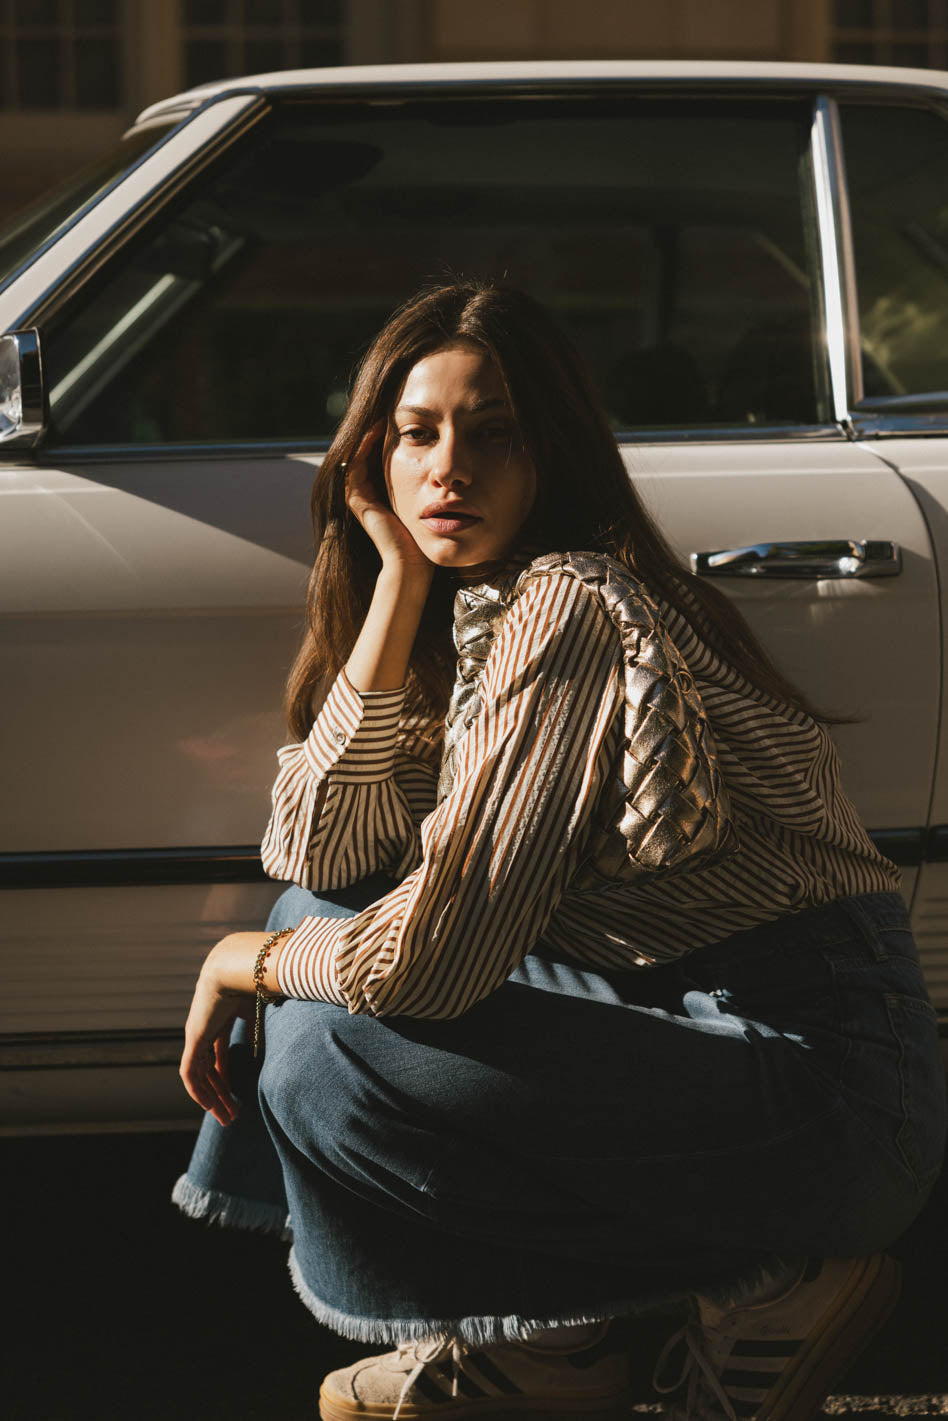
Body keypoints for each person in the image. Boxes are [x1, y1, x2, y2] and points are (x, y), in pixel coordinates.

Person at [175, 280, 946, 1421]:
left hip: (820, 1084)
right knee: (310, 915)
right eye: (418, 435)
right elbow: (324, 847)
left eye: (496, 436)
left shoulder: (568, 603)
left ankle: (761, 1286)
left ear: (555, 457)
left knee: (321, 1036)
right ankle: (552, 1344)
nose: (450, 469)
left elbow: (430, 965)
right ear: (370, 459)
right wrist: (394, 585)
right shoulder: (467, 611)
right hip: (709, 1040)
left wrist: (235, 956)